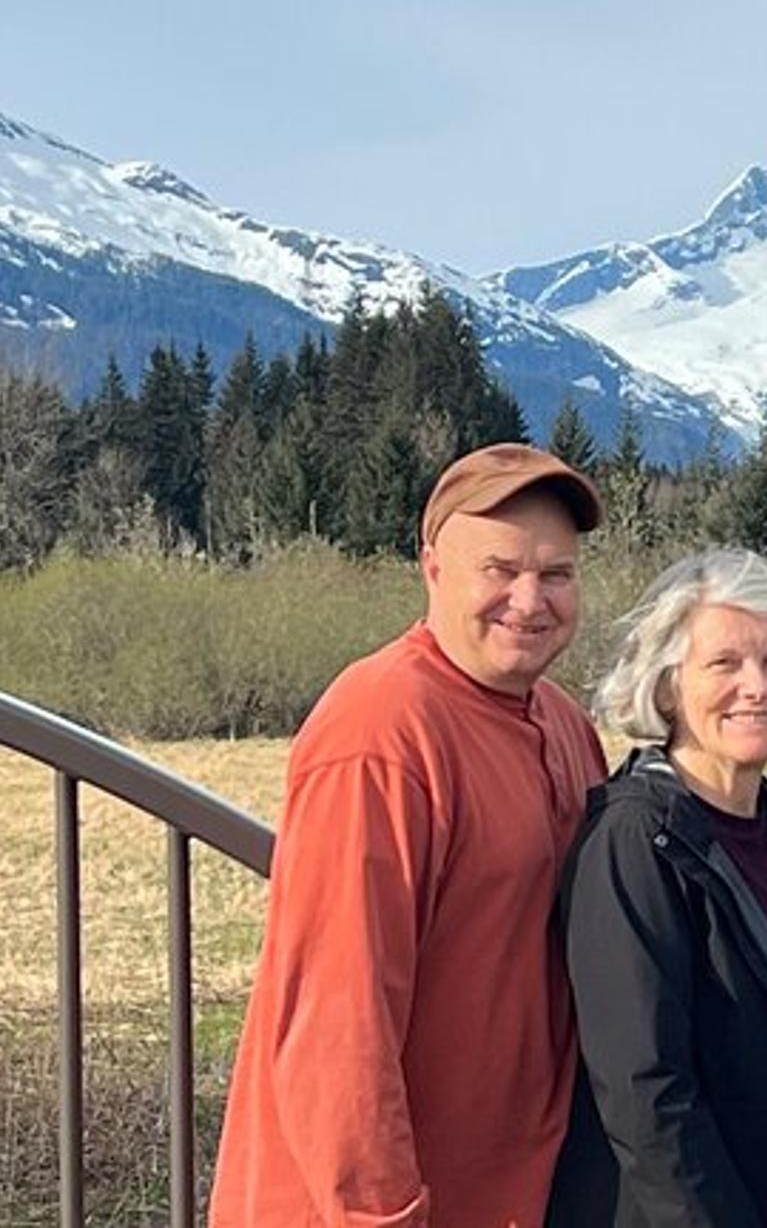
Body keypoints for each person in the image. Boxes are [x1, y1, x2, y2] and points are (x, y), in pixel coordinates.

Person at [211, 443, 608, 1228]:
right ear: (431, 567)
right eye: (499, 569)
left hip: (506, 1193)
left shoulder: (563, 722)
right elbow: (339, 1015)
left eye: (556, 573)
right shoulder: (381, 729)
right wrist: (381, 1212)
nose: (529, 600)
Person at [547, 549, 767, 1228]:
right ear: (667, 686)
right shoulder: (634, 841)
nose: (756, 686)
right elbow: (646, 1095)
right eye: (724, 663)